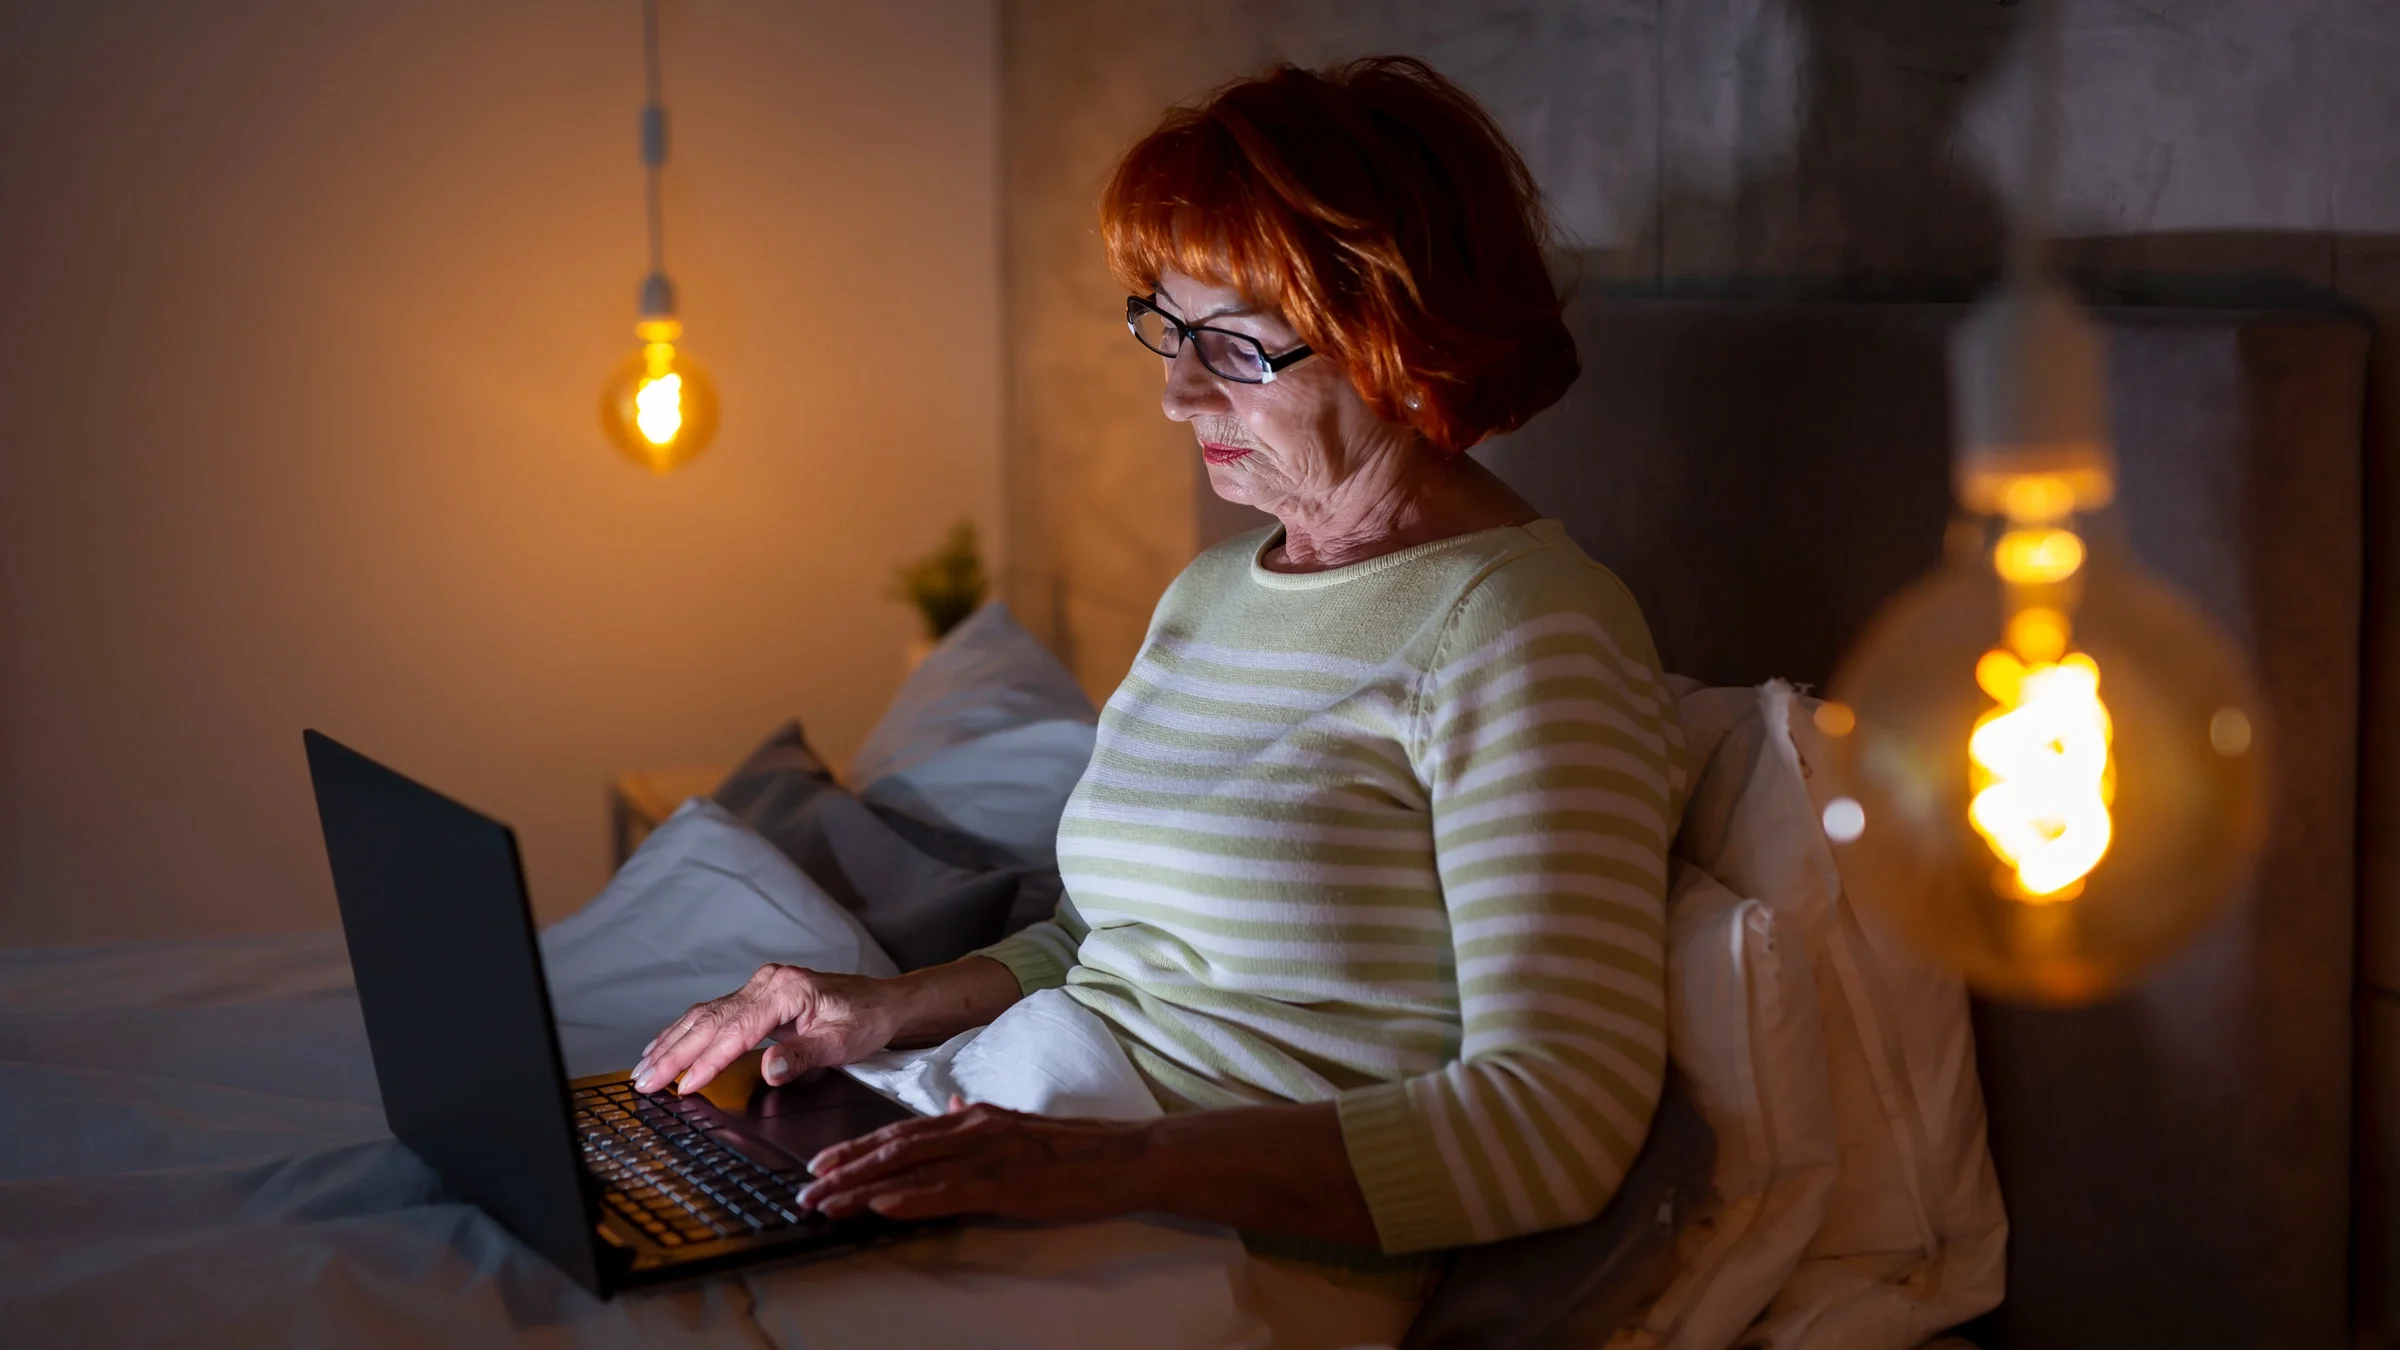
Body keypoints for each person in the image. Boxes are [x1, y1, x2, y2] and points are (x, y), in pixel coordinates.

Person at [633, 55, 1686, 1288]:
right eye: (1170, 330)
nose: (1179, 394)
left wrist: (1115, 1169)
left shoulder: (1522, 628)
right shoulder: (1213, 591)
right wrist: (884, 1008)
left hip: (1218, 1244)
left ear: (1400, 345)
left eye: (1233, 347)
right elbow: (1108, 945)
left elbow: (1554, 1122)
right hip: (1024, 1125)